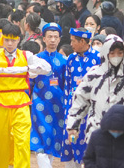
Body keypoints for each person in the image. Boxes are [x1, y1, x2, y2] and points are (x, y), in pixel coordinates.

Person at [0, 22, 53, 168]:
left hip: (21, 102)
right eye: (7, 40)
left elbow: (46, 67)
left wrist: (28, 68)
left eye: (13, 40)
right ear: (2, 39)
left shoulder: (26, 55)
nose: (10, 43)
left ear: (19, 40)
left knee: (22, 141)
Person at [66, 35, 124, 156]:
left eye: (119, 52)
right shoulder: (94, 75)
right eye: (112, 53)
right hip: (96, 132)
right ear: (105, 53)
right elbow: (80, 100)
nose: (116, 56)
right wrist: (73, 126)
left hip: (123, 135)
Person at [31, 23, 70, 168]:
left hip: (58, 105)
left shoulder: (64, 61)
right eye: (49, 37)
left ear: (59, 39)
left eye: (55, 37)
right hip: (39, 104)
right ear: (44, 39)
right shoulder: (36, 59)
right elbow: (29, 81)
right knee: (41, 138)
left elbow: (67, 84)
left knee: (54, 138)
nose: (52, 40)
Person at [83, 104, 124, 168]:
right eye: (113, 130)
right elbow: (88, 159)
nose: (116, 133)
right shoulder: (96, 136)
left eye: (119, 131)